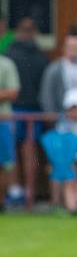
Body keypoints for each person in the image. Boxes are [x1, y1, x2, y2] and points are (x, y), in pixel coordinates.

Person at [6, 18, 49, 208]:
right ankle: (30, 192)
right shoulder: (42, 57)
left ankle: (16, 190)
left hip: (14, 110)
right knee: (29, 150)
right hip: (33, 109)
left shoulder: (9, 55)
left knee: (12, 152)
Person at [39, 34, 77, 114]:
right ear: (64, 48)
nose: (75, 49)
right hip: (62, 118)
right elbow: (47, 95)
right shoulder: (54, 69)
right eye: (72, 46)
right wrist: (52, 117)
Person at [0, 53, 20, 211]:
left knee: (4, 164)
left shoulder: (6, 64)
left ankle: (1, 202)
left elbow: (13, 92)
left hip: (2, 120)